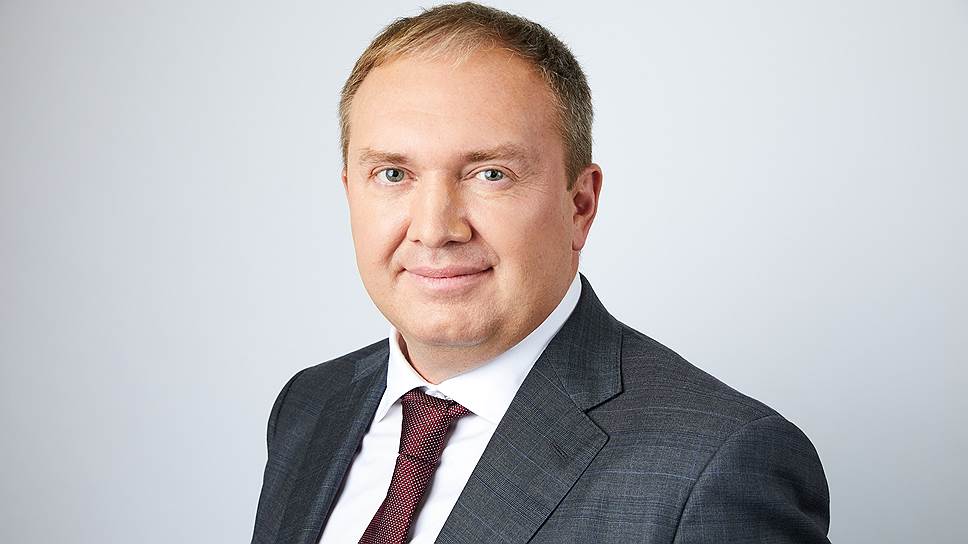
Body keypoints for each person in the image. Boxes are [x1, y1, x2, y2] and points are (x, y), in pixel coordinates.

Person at [251, 3, 831, 543]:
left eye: (491, 174)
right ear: (350, 193)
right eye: (393, 175)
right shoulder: (310, 405)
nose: (434, 229)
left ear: (580, 206)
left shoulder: (717, 464)